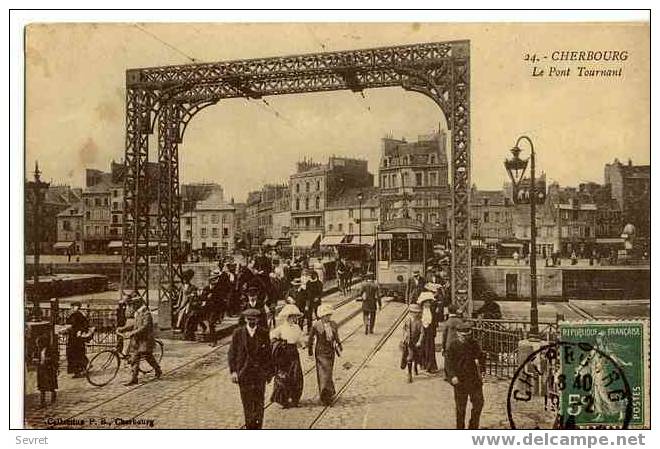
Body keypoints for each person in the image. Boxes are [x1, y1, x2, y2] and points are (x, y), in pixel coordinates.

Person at [228, 308, 274, 429]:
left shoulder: (264, 333)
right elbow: (232, 353)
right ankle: (250, 426)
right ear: (245, 319)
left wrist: (269, 373)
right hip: (244, 373)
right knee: (247, 402)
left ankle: (258, 427)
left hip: (259, 374)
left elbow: (268, 354)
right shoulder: (238, 333)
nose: (251, 322)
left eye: (253, 319)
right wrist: (233, 371)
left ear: (258, 320)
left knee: (259, 402)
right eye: (249, 319)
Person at [445, 322, 485, 429]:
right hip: (460, 381)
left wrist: (483, 371)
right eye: (463, 335)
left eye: (467, 335)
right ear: (458, 334)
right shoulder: (453, 346)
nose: (465, 338)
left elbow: (481, 358)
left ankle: (473, 427)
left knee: (479, 404)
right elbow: (448, 363)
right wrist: (452, 376)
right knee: (460, 408)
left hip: (474, 380)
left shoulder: (474, 344)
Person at [117, 295, 162, 386]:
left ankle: (157, 369)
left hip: (145, 340)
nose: (132, 306)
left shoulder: (146, 313)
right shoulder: (137, 313)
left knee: (148, 357)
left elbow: (144, 327)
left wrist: (133, 332)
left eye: (133, 304)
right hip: (137, 339)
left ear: (138, 304)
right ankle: (134, 378)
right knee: (134, 358)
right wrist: (123, 329)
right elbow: (135, 325)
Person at [270, 304, 305, 409]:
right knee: (283, 377)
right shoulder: (281, 328)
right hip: (284, 354)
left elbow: (299, 338)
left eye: (295, 316)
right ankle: (283, 399)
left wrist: (302, 344)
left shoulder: (297, 327)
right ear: (287, 317)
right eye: (291, 316)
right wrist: (278, 344)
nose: (293, 319)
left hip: (294, 353)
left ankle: (295, 399)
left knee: (296, 375)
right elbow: (272, 337)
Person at [308, 304, 342, 405]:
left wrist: (339, 344)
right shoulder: (316, 325)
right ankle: (324, 396)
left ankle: (329, 393)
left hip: (330, 351)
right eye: (326, 315)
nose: (328, 317)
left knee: (328, 373)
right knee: (323, 373)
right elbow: (310, 338)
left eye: (329, 315)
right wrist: (309, 350)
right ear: (321, 316)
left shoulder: (333, 324)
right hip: (320, 351)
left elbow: (336, 336)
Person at [65, 301, 92, 378]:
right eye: (73, 307)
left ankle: (81, 370)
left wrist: (80, 331)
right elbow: (69, 324)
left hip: (78, 337)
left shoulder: (80, 315)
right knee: (72, 353)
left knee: (78, 353)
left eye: (76, 306)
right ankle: (79, 370)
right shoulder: (71, 315)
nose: (75, 308)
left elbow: (85, 325)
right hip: (72, 337)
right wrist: (66, 329)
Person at [400, 303, 424, 383]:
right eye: (413, 312)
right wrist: (404, 337)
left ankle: (415, 367)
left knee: (416, 356)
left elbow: (422, 333)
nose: (415, 314)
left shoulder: (419, 322)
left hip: (416, 342)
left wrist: (419, 341)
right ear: (410, 312)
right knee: (409, 357)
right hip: (408, 341)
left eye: (416, 312)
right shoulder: (407, 320)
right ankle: (409, 375)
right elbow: (404, 329)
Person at [417, 291, 439, 373]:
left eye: (429, 302)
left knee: (430, 349)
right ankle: (424, 364)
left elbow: (434, 323)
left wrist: (434, 332)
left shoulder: (432, 311)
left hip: (430, 332)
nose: (428, 304)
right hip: (423, 333)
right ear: (423, 303)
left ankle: (431, 366)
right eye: (426, 302)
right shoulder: (420, 312)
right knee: (423, 349)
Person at [442, 304, 464, 379]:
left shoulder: (448, 322)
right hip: (458, 343)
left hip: (449, 343)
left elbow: (444, 335)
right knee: (457, 358)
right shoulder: (460, 321)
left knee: (448, 359)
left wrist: (443, 346)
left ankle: (447, 375)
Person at [35, 335, 58, 407]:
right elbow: (36, 357)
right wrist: (36, 360)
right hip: (41, 369)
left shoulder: (50, 349)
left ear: (43, 343)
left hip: (49, 369)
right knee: (42, 387)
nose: (38, 345)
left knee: (51, 385)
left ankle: (53, 397)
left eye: (39, 343)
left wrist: (49, 359)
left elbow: (54, 359)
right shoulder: (39, 350)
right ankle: (42, 402)